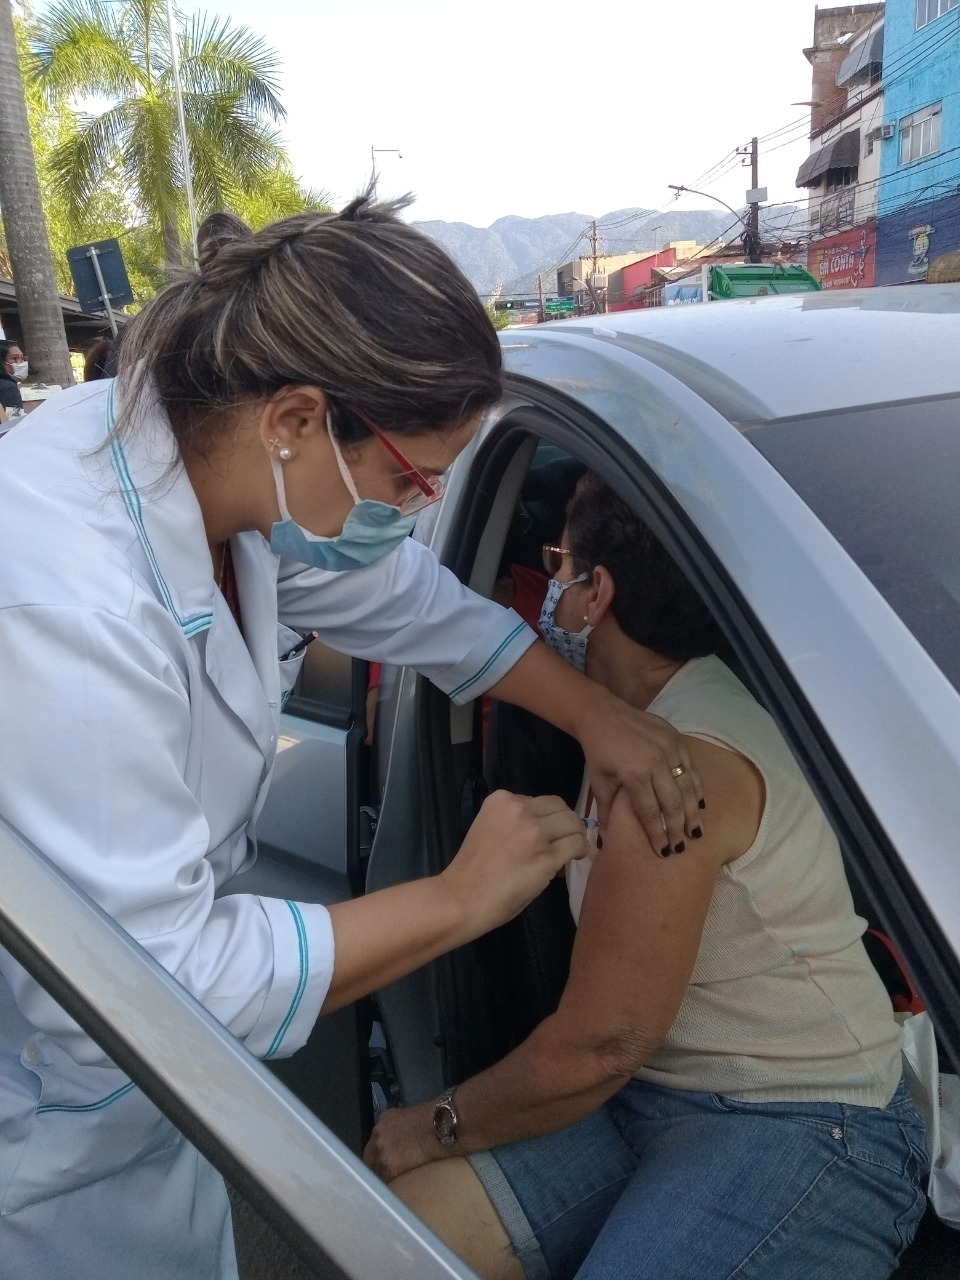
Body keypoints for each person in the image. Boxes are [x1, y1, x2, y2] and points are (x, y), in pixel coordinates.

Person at [0, 198, 705, 1280]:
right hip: (52, 1139)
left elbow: (408, 600)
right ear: (295, 417)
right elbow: (153, 984)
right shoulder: (70, 606)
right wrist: (461, 897)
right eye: (411, 481)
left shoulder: (213, 461)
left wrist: (598, 716)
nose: (420, 510)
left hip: (146, 1113)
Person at [367, 473, 929, 1280]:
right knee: (396, 1238)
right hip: (649, 1095)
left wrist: (432, 1124)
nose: (550, 589)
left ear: (597, 593)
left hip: (806, 1117)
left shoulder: (672, 772)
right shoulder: (641, 724)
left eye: (559, 566)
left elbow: (602, 1045)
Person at [0, 338, 27, 412]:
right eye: (14, 358)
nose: (21, 363)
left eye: (22, 358)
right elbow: (15, 417)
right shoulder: (8, 388)